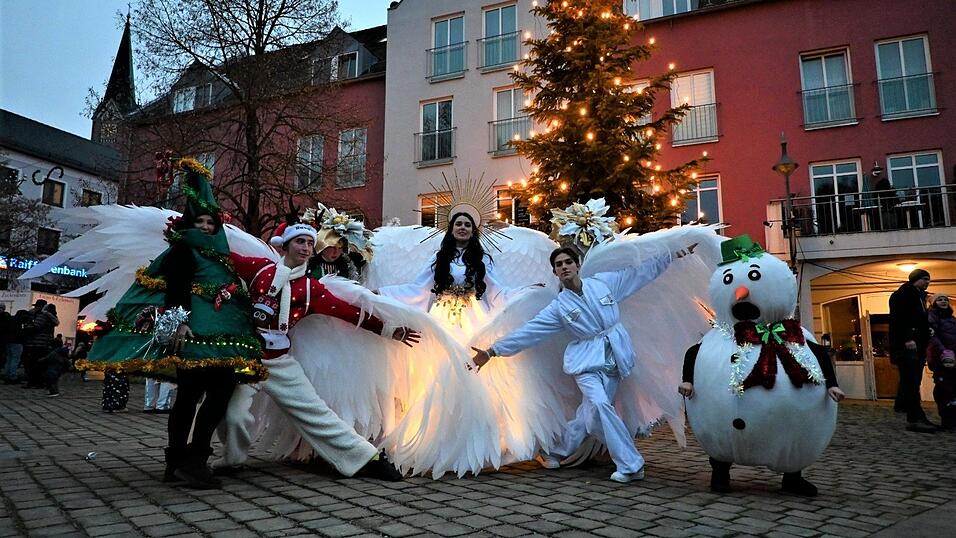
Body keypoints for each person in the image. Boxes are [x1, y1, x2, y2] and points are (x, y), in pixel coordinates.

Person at [79, 158, 266, 489]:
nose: (207, 227)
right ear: (189, 225)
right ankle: (187, 461)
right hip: (193, 335)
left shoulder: (219, 258)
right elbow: (177, 288)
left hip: (218, 336)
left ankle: (184, 462)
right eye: (201, 222)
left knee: (204, 394)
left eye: (211, 223)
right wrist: (180, 323)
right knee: (197, 394)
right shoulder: (183, 252)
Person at [216, 217, 420, 481]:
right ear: (285, 245)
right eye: (300, 241)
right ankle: (232, 460)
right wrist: (188, 233)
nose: (305, 248)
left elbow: (349, 312)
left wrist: (390, 330)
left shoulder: (311, 288)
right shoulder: (260, 270)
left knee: (315, 413)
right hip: (247, 358)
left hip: (279, 361)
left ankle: (366, 458)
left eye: (310, 244)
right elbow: (221, 256)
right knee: (233, 415)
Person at [471, 246, 679, 483]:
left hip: (615, 357)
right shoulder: (558, 307)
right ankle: (631, 464)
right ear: (555, 272)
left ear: (577, 265)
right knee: (600, 404)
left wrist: (671, 254)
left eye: (568, 262)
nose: (564, 267)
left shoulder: (603, 283)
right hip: (585, 364)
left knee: (589, 417)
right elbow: (529, 332)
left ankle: (555, 452)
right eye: (559, 265)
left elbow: (638, 274)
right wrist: (491, 351)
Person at [889, 268, 935, 433]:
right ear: (915, 279)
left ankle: (913, 412)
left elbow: (920, 318)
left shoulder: (919, 296)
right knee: (911, 381)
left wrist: (927, 330)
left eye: (928, 279)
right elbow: (899, 319)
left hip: (918, 342)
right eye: (924, 279)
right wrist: (907, 338)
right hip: (908, 345)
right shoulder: (903, 295)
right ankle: (914, 417)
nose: (927, 282)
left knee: (913, 380)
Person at [927, 294, 956, 430]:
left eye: (945, 299)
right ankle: (947, 418)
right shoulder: (932, 316)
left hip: (953, 357)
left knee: (953, 388)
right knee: (944, 388)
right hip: (941, 358)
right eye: (940, 299)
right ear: (934, 303)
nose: (943, 301)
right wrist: (943, 351)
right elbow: (932, 336)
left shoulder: (951, 318)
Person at [22, 301, 59, 389]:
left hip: (37, 342)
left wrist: (26, 327)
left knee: (33, 364)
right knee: (41, 364)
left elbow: (36, 327)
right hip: (46, 342)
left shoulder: (42, 316)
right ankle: (41, 382)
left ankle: (33, 382)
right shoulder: (52, 317)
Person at [3, 309, 29, 384]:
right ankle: (12, 376)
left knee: (9, 359)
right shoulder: (19, 322)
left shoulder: (11, 320)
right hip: (17, 342)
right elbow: (20, 333)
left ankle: (7, 375)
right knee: (15, 359)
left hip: (8, 341)